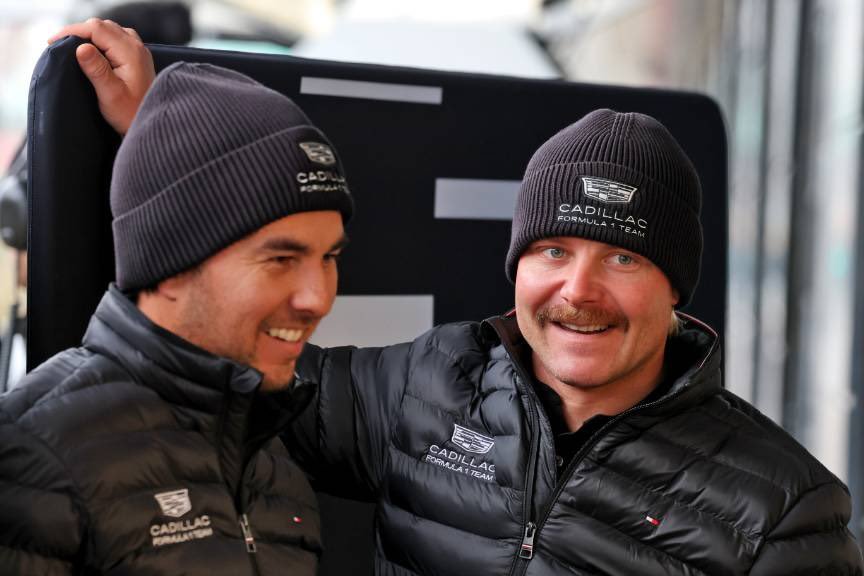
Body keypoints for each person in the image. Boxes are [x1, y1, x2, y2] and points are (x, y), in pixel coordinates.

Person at [45, 20, 864, 575]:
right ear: (517, 266)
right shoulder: (428, 383)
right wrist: (165, 140)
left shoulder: (785, 511)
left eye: (622, 258)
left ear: (675, 286)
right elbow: (228, 359)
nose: (578, 290)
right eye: (552, 250)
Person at [0, 60, 353, 575]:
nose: (317, 298)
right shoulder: (31, 456)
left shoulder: (272, 458)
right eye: (281, 259)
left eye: (330, 257)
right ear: (168, 266)